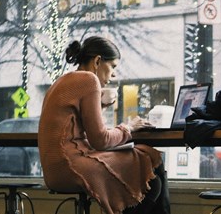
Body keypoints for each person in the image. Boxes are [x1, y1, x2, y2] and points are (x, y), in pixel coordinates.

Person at [38, 36, 170, 214]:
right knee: (152, 172)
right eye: (113, 66)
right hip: (70, 166)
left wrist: (99, 105)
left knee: (150, 168)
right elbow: (100, 139)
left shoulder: (62, 81)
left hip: (54, 170)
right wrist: (129, 127)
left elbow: (75, 129)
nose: (114, 74)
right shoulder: (88, 79)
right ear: (97, 61)